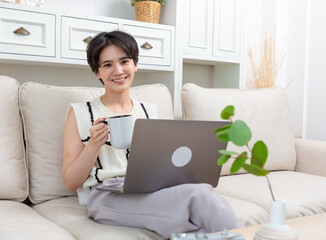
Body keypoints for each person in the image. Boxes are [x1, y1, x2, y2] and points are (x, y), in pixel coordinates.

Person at [62, 30, 243, 239]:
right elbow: (70, 181)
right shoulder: (80, 112)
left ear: (135, 64)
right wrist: (94, 144)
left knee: (200, 207)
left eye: (124, 61)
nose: (118, 70)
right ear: (97, 72)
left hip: (149, 189)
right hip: (107, 196)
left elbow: (162, 163)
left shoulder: (148, 111)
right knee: (199, 195)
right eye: (107, 64)